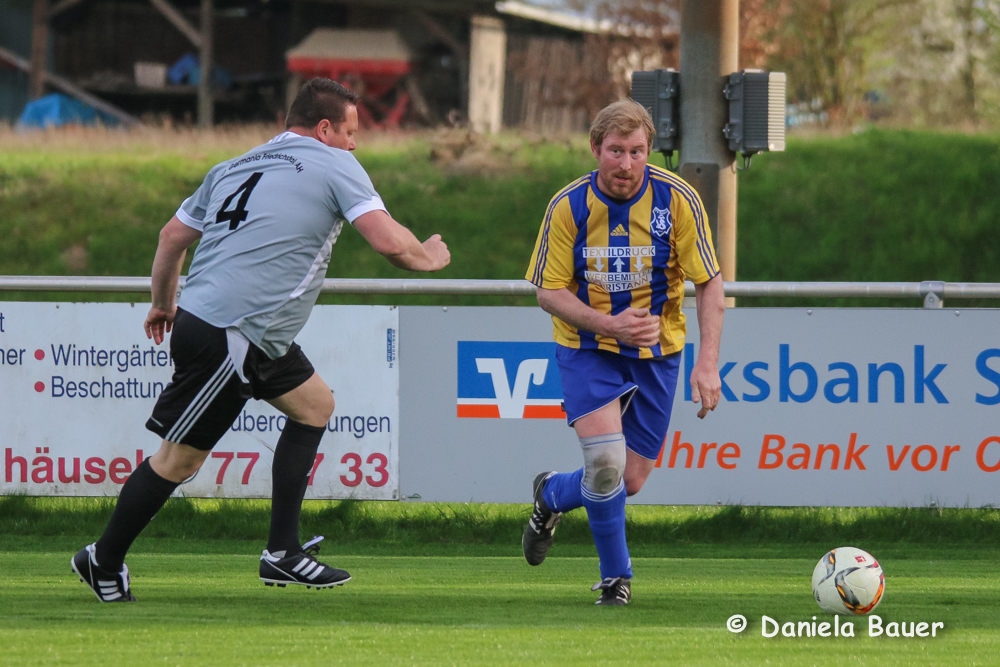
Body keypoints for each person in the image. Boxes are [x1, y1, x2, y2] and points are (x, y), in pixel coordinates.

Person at [71, 78, 450, 602]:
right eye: (350, 131)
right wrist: (430, 254)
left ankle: (283, 554)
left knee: (315, 405)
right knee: (178, 462)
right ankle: (102, 558)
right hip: (232, 335)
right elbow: (391, 243)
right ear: (324, 129)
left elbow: (171, 238)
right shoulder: (334, 163)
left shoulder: (233, 165)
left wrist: (162, 303)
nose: (354, 144)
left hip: (246, 333)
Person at [521, 99, 724, 605]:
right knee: (606, 464)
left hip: (659, 354)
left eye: (637, 151)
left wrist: (708, 362)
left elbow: (711, 284)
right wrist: (609, 324)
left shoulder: (677, 200)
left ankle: (550, 494)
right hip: (587, 347)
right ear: (596, 149)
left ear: (649, 150)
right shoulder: (567, 206)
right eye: (616, 150)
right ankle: (617, 579)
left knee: (627, 481)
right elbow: (548, 292)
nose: (627, 164)